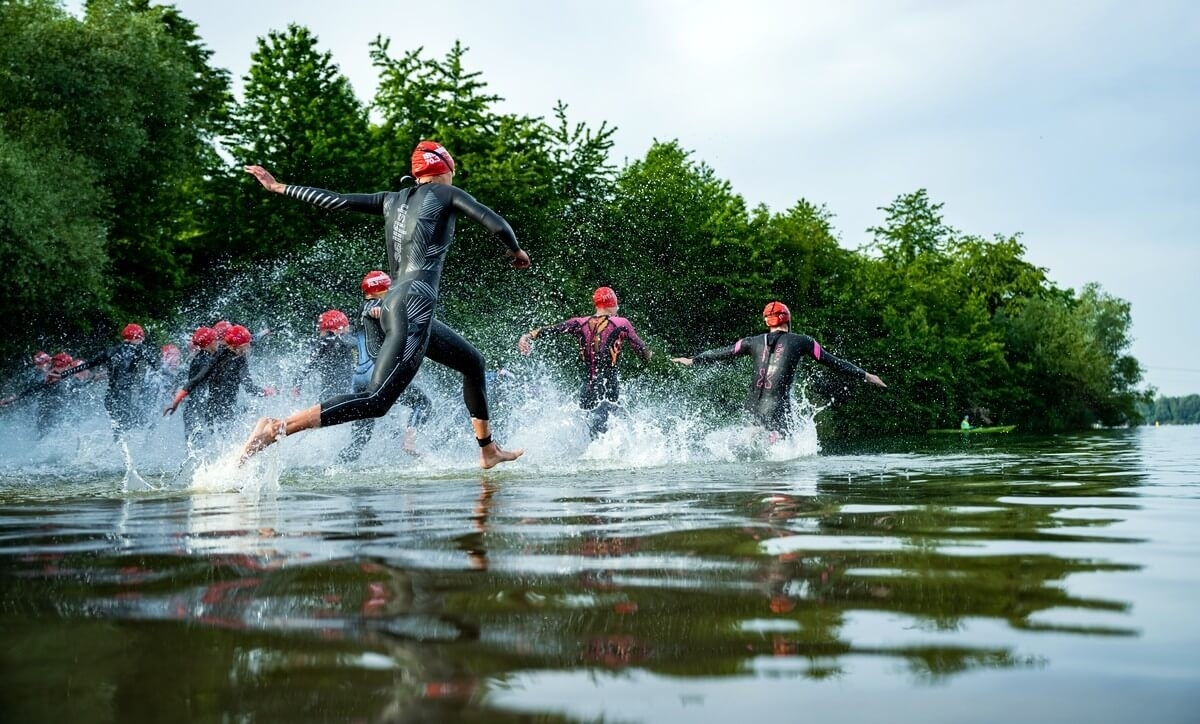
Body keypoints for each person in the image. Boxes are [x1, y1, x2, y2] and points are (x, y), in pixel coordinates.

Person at [239, 141, 530, 468]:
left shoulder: (391, 200)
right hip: (415, 304)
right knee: (376, 401)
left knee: (472, 362)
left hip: (396, 302)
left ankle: (488, 450)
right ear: (442, 169)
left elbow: (338, 200)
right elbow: (493, 221)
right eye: (452, 171)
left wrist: (280, 187)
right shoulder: (447, 194)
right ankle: (276, 428)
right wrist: (515, 250)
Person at [671, 301, 886, 438]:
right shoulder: (803, 341)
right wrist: (865, 375)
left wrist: (693, 360)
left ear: (767, 321)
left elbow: (722, 353)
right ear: (788, 320)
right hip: (777, 409)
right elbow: (833, 362)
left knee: (752, 441)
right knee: (784, 454)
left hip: (751, 408)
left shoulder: (750, 341)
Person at [517, 286, 652, 436]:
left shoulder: (579, 323)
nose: (618, 308)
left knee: (590, 431)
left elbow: (553, 329)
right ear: (612, 304)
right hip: (609, 388)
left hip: (587, 389)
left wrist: (526, 336)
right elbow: (643, 351)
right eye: (616, 304)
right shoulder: (621, 323)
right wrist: (651, 356)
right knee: (609, 433)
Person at [338, 272, 431, 462]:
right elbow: (374, 309)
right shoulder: (374, 306)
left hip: (359, 380)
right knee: (423, 403)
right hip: (378, 375)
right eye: (389, 289)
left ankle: (335, 466)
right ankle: (409, 442)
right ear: (381, 290)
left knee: (361, 437)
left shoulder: (359, 312)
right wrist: (382, 310)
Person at [165, 324, 275, 442]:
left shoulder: (219, 354)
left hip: (212, 409)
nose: (249, 348)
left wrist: (176, 401)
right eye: (247, 346)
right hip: (223, 410)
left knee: (215, 440)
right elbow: (249, 388)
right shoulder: (236, 360)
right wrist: (266, 392)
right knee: (226, 438)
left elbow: (195, 380)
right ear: (239, 346)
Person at [51, 324, 159, 439]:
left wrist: (63, 374)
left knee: (119, 428)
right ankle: (142, 446)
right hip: (123, 397)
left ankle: (114, 447)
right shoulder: (139, 349)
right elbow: (158, 366)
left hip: (109, 398)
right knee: (146, 422)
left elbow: (88, 364)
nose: (141, 342)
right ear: (137, 337)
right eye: (141, 339)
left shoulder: (111, 351)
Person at [295, 310, 356, 400]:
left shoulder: (329, 342)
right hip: (347, 397)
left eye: (321, 330)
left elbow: (307, 366)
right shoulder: (353, 343)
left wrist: (296, 384)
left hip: (331, 399)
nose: (320, 334)